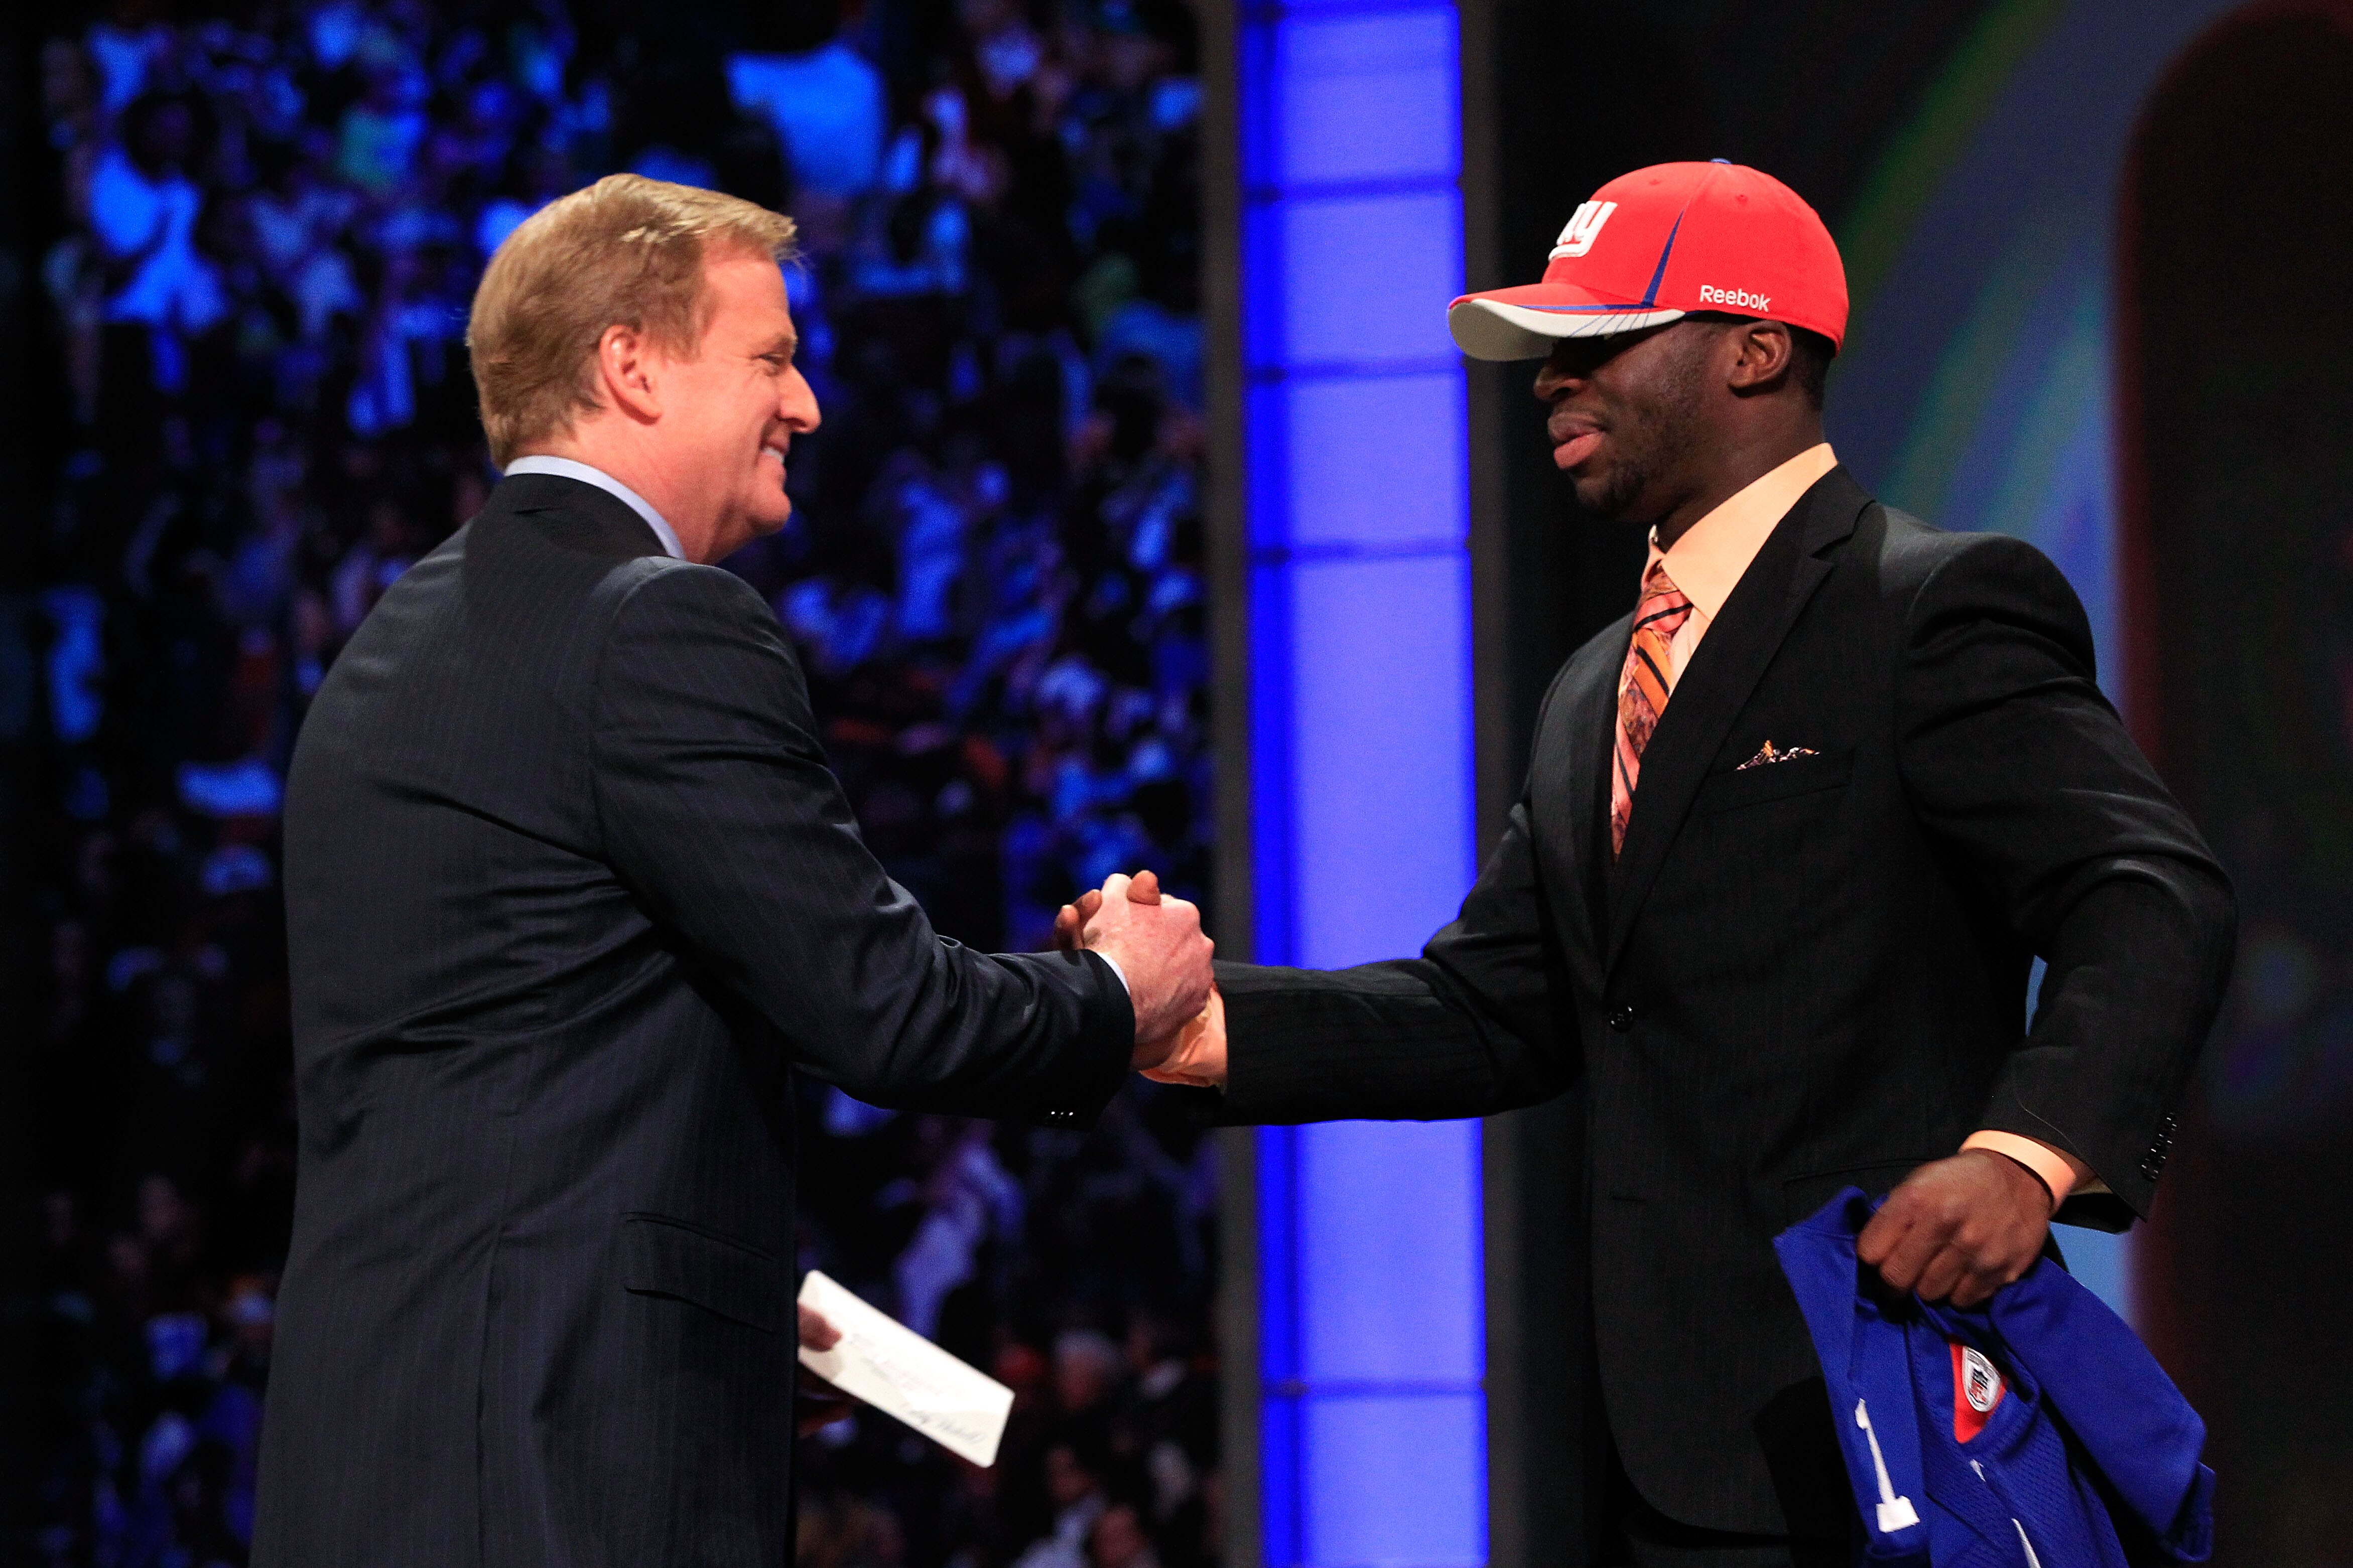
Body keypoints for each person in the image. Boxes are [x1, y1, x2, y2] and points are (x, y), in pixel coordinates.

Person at [1070, 161, 2235, 1563]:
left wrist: (2025, 1159)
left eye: (1601, 339)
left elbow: (2146, 890)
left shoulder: (1928, 611)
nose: (1555, 378)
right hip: (1654, 1458)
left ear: (1756, 350)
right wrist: (1200, 1026)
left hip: (1893, 1427)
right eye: (1548, 350)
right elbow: (1493, 1011)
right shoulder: (1593, 691)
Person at [252, 175, 1214, 1567]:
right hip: (559, 1477)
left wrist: (730, 1314)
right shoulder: (658, 627)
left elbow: (517, 1089)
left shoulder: (394, 644)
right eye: (769, 356)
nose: (807, 402)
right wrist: (1118, 994)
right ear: (630, 367)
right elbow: (888, 1010)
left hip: (383, 1454)